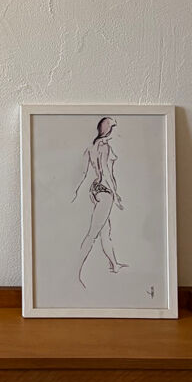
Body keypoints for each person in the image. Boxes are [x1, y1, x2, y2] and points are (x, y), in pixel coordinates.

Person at [72, 116, 127, 287]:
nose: (116, 130)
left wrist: (78, 191)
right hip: (105, 192)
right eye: (114, 127)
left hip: (95, 190)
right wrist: (116, 195)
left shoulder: (91, 147)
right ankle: (75, 273)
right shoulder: (105, 147)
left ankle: (114, 264)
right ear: (108, 129)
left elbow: (82, 172)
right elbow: (106, 172)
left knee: (105, 232)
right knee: (92, 234)